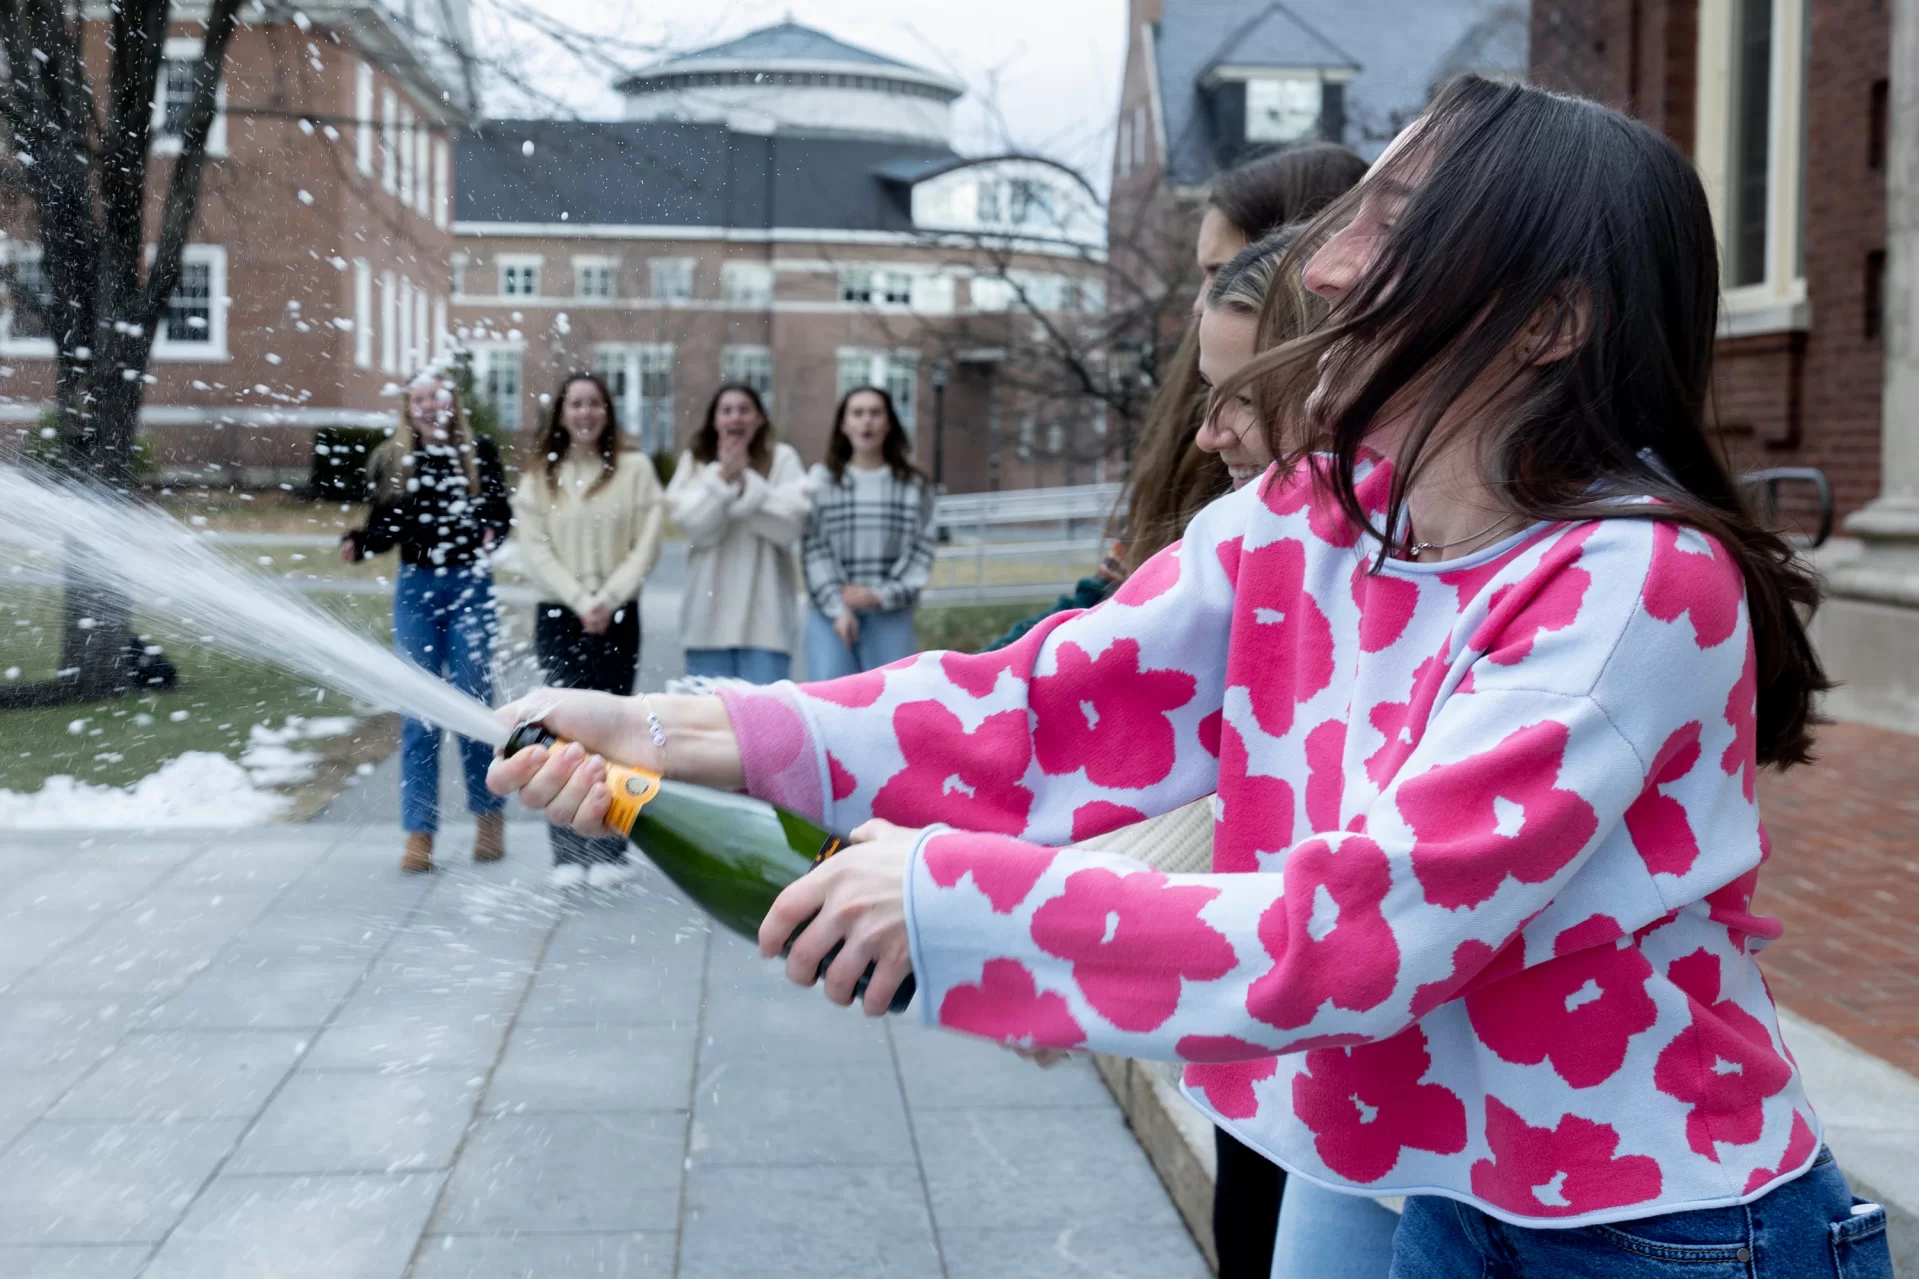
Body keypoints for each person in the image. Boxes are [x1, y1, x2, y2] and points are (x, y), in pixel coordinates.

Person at [491, 76, 1894, 1279]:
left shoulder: (1633, 588)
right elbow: (1037, 706)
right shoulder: (1309, 518)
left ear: (1546, 323)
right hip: (1417, 1172)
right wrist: (672, 725)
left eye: (1387, 228)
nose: (1326, 266)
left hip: (1658, 1228)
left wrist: (943, 896)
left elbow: (1362, 927)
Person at [342, 371, 511, 875]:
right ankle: (420, 833)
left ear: (451, 402)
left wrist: (491, 531)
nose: (428, 406)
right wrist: (359, 542)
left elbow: (501, 512)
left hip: (469, 587)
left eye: (436, 396)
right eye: (418, 399)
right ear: (408, 407)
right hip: (416, 589)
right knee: (419, 715)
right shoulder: (395, 458)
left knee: (473, 707)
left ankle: (489, 816)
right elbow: (386, 523)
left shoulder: (478, 452)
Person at [513, 371, 665, 889]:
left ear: (608, 411)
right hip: (560, 615)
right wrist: (581, 600)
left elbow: (647, 541)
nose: (585, 413)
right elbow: (534, 547)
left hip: (619, 616)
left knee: (618, 731)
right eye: (575, 404)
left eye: (594, 404)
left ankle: (611, 846)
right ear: (561, 413)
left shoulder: (635, 469)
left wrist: (609, 599)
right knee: (563, 734)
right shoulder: (540, 475)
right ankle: (566, 851)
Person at [664, 384, 811, 684]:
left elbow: (792, 525)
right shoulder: (696, 461)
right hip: (706, 623)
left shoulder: (783, 459)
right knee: (705, 723)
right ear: (715, 420)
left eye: (744, 409)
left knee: (767, 725)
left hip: (767, 625)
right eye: (726, 410)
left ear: (760, 418)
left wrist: (743, 484)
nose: (736, 417)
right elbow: (692, 523)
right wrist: (722, 478)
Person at [801, 387, 936, 680]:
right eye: (858, 413)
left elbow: (921, 550)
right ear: (843, 424)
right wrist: (838, 607)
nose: (867, 421)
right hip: (832, 617)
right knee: (831, 710)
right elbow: (814, 549)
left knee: (892, 708)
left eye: (875, 413)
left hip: (890, 615)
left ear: (888, 424)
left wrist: (879, 594)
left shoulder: (913, 485)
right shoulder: (822, 481)